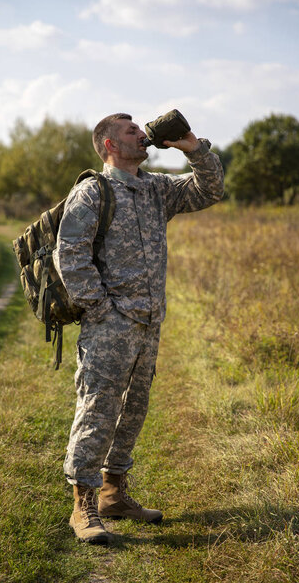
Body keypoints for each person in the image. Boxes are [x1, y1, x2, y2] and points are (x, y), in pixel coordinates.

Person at [54, 112, 224, 544]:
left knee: (133, 410)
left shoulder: (156, 189)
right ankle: (84, 506)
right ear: (110, 145)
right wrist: (101, 311)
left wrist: (192, 148)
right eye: (129, 130)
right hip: (110, 325)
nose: (140, 133)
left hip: (149, 325)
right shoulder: (93, 191)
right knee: (98, 410)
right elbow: (69, 254)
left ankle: (114, 494)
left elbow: (211, 189)